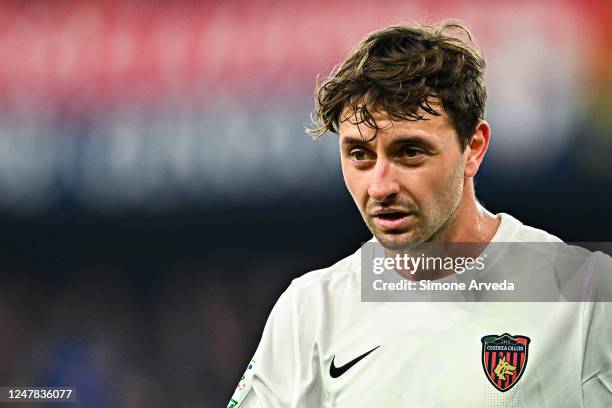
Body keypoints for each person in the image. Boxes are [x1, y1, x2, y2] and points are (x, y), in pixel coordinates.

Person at [227, 21, 612, 407]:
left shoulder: (586, 296)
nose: (380, 186)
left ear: (473, 148)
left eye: (409, 152)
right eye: (359, 155)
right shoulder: (310, 312)